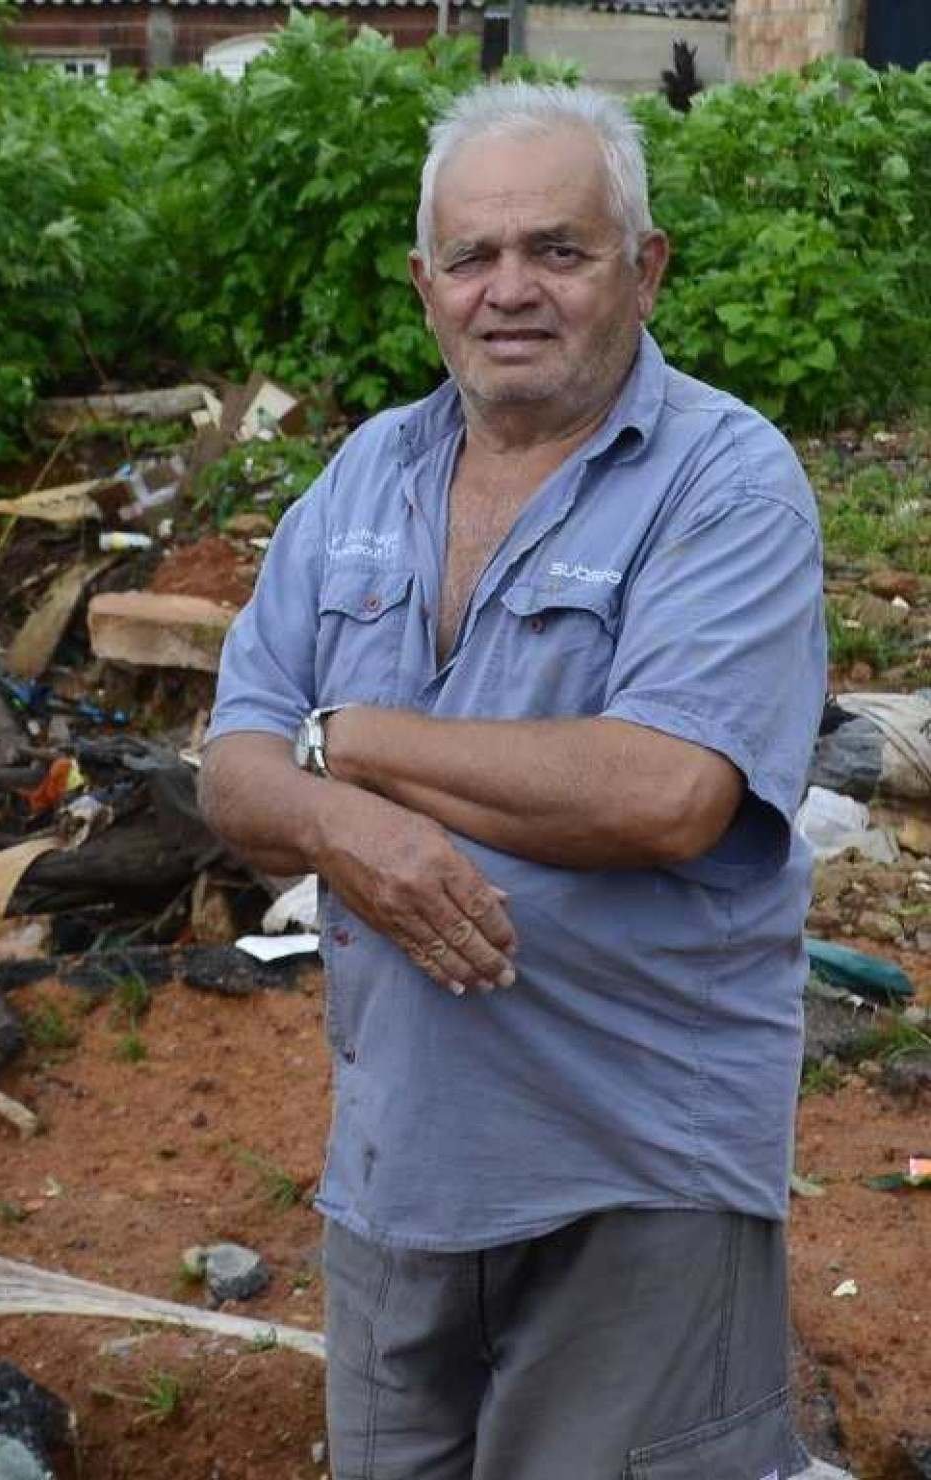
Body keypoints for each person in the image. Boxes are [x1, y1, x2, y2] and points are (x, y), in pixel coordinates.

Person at [200, 83, 825, 1478]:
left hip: (634, 1181)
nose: (510, 293)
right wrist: (336, 816)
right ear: (426, 285)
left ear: (645, 266)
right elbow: (235, 765)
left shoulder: (726, 485)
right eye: (474, 258)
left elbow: (664, 792)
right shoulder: (367, 474)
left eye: (559, 250)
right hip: (399, 1180)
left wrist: (353, 741)